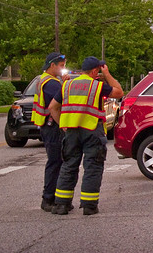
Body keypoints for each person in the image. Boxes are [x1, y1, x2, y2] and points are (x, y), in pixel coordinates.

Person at [48, 56, 123, 215]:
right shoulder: (97, 86)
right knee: (93, 167)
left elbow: (53, 107)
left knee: (68, 166)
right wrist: (107, 74)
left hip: (71, 131)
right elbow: (119, 92)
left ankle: (62, 204)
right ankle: (89, 206)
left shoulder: (67, 85)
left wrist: (63, 124)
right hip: (91, 130)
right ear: (96, 70)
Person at [32, 52, 68, 212]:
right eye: (61, 66)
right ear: (52, 65)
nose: (63, 68)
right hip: (52, 126)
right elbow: (56, 106)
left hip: (48, 126)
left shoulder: (47, 80)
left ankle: (54, 197)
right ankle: (48, 199)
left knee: (57, 162)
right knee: (55, 162)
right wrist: (63, 126)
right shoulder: (51, 83)